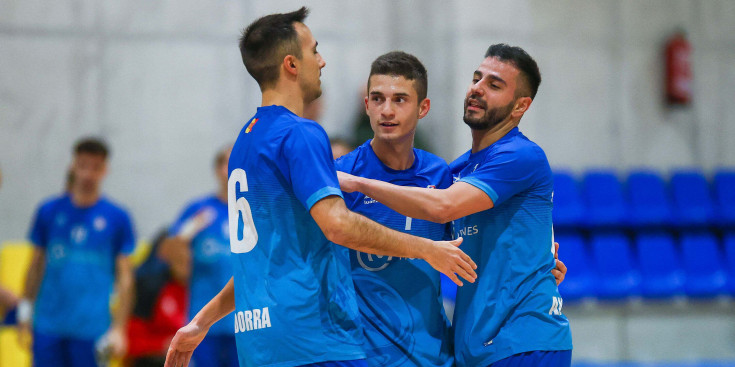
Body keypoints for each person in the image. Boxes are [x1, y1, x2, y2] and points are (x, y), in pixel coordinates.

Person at [164, 7, 476, 367]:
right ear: (291, 65)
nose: (322, 61)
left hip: (260, 344)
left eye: (399, 100)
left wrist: (200, 322)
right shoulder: (302, 133)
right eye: (314, 50)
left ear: (422, 107)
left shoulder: (246, 142)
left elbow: (266, 255)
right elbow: (339, 224)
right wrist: (426, 249)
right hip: (314, 339)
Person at [338, 44, 573, 366]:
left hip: (519, 341)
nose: (477, 89)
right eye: (477, 78)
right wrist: (540, 261)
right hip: (467, 348)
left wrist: (539, 268)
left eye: (494, 84)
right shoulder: (457, 171)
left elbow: (443, 207)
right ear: (366, 105)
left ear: (521, 106)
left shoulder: (515, 156)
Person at [335, 51, 453, 367]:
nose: (386, 110)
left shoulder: (439, 174)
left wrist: (534, 265)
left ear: (423, 108)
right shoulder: (342, 175)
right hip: (363, 357)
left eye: (400, 99)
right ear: (367, 106)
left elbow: (472, 247)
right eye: (378, 99)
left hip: (433, 355)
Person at [19, 137, 136, 367]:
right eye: (83, 165)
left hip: (92, 329)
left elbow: (125, 278)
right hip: (48, 325)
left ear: (105, 170)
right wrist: (24, 312)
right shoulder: (49, 211)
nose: (87, 174)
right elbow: (35, 266)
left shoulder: (117, 217)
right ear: (73, 165)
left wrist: (119, 328)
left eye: (95, 167)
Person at [159, 145, 237, 367]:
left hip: (244, 323)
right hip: (203, 321)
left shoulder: (254, 209)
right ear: (217, 169)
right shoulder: (200, 210)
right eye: (226, 163)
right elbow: (168, 250)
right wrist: (190, 230)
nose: (231, 169)